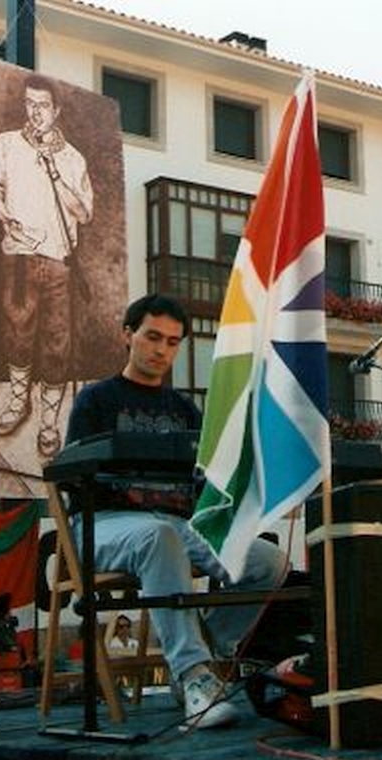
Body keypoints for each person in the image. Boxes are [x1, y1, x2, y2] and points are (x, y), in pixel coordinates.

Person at [64, 294, 288, 730]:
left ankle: (208, 647)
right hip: (103, 526)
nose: (161, 350)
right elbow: (72, 477)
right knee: (159, 536)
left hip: (177, 525)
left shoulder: (186, 410)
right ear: (127, 335)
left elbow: (210, 481)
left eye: (172, 341)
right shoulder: (95, 400)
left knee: (270, 561)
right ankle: (193, 675)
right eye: (152, 337)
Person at [0, 74, 94, 458]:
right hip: (18, 256)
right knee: (16, 334)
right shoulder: (7, 144)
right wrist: (4, 216)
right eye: (30, 104)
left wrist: (55, 171)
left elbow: (84, 212)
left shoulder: (72, 158)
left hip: (60, 261)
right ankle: (18, 402)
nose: (35, 112)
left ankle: (49, 423)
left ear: (56, 110)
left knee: (56, 343)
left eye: (43, 105)